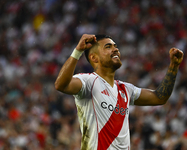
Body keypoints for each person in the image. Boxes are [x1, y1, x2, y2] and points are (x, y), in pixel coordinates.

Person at [54, 34, 184, 150]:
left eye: (115, 46)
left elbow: (160, 98)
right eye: (108, 47)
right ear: (94, 58)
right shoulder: (88, 81)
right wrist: (78, 51)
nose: (115, 49)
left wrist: (173, 67)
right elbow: (60, 85)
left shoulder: (126, 89)